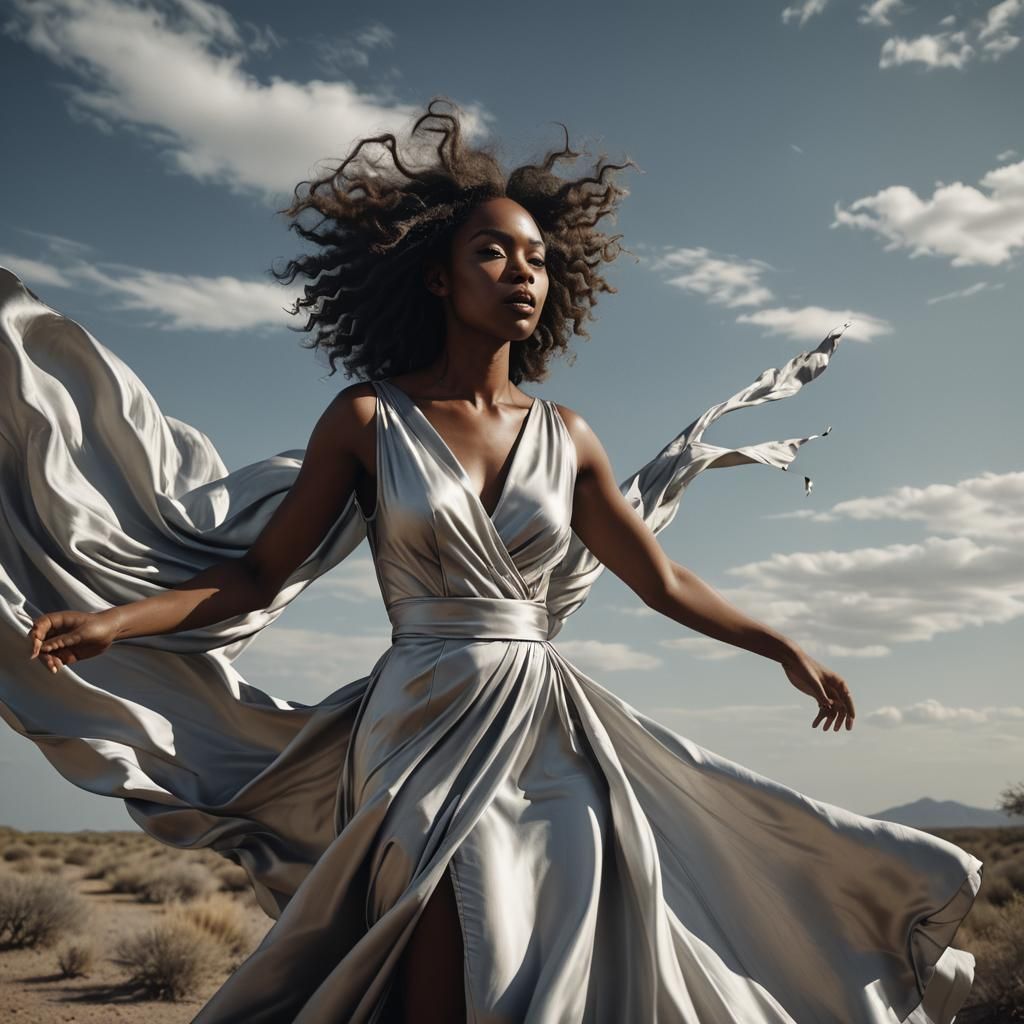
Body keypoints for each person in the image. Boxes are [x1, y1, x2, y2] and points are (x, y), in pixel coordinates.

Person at [3, 98, 981, 1023]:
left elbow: (661, 579)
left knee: (539, 955)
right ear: (438, 277)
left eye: (538, 260)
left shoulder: (569, 435)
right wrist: (116, 622)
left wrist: (783, 648)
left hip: (545, 728)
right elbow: (258, 576)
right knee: (440, 953)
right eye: (494, 252)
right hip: (415, 725)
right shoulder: (366, 418)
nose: (522, 273)